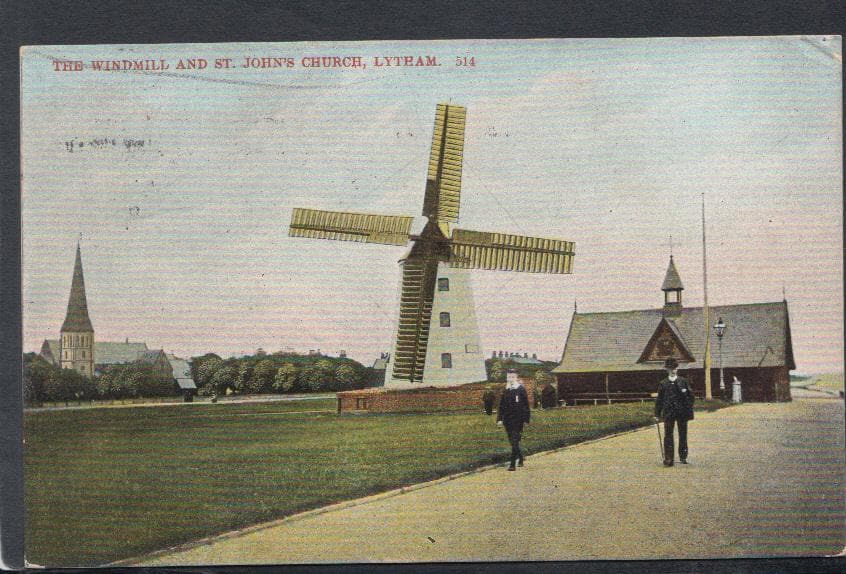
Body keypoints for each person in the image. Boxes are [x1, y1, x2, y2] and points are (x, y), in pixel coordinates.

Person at [654, 358, 695, 466]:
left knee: (683, 434)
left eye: (675, 368)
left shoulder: (683, 381)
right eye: (670, 369)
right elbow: (659, 400)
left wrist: (687, 408)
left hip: (682, 413)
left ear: (677, 369)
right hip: (668, 413)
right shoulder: (663, 383)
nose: (673, 371)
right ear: (667, 369)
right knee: (668, 435)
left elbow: (691, 397)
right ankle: (669, 459)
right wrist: (657, 414)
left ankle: (683, 456)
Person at [497, 370, 531, 471]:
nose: (511, 379)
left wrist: (526, 419)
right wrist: (499, 419)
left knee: (515, 439)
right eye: (509, 377)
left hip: (518, 419)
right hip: (507, 419)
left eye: (512, 377)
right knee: (512, 441)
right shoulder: (506, 390)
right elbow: (501, 406)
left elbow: (526, 405)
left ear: (516, 378)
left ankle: (512, 464)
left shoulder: (520, 389)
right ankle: (520, 457)